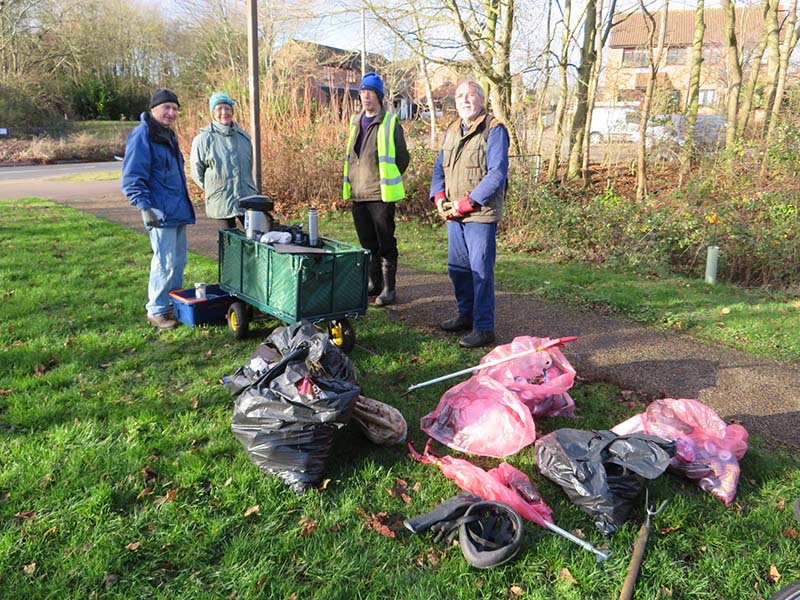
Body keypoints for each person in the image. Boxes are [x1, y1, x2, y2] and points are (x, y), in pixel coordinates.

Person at [429, 79, 510, 348]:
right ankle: (466, 316)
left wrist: (468, 202)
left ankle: (484, 327)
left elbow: (497, 173)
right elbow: (439, 168)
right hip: (454, 213)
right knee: (459, 270)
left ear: (481, 99)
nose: (465, 100)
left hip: (480, 214)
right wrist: (439, 196)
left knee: (480, 271)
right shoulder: (452, 129)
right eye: (460, 96)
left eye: (471, 95)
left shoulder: (494, 129)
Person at [121, 88, 195, 330]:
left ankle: (173, 303)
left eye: (175, 109)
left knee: (178, 261)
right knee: (164, 262)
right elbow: (132, 176)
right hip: (159, 212)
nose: (171, 113)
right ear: (153, 109)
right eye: (167, 108)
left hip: (177, 209)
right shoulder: (143, 135)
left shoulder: (167, 135)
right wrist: (144, 207)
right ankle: (157, 310)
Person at [343, 71, 409, 307]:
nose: (365, 96)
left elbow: (402, 158)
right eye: (362, 92)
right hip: (358, 195)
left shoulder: (390, 122)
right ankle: (375, 284)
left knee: (385, 243)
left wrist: (386, 178)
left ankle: (389, 290)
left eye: (370, 92)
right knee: (367, 243)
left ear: (379, 96)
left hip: (380, 195)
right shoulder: (355, 122)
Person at [189, 92, 257, 229]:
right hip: (221, 200)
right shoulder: (203, 139)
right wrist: (215, 188)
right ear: (213, 113)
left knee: (255, 238)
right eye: (219, 109)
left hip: (246, 197)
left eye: (227, 108)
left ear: (232, 111)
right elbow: (197, 172)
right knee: (228, 244)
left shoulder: (244, 138)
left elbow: (249, 167)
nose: (224, 112)